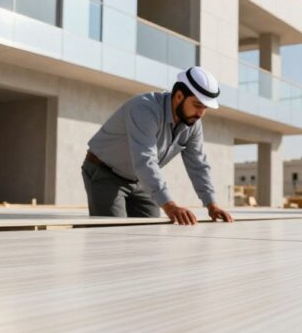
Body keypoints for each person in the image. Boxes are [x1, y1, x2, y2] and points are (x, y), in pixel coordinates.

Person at [83, 66, 234, 225]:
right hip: (105, 173)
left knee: (152, 233)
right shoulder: (144, 109)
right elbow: (145, 160)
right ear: (179, 96)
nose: (201, 113)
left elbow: (198, 164)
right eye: (197, 105)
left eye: (205, 108)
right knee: (112, 235)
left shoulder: (193, 123)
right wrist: (170, 205)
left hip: (140, 179)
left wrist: (212, 205)